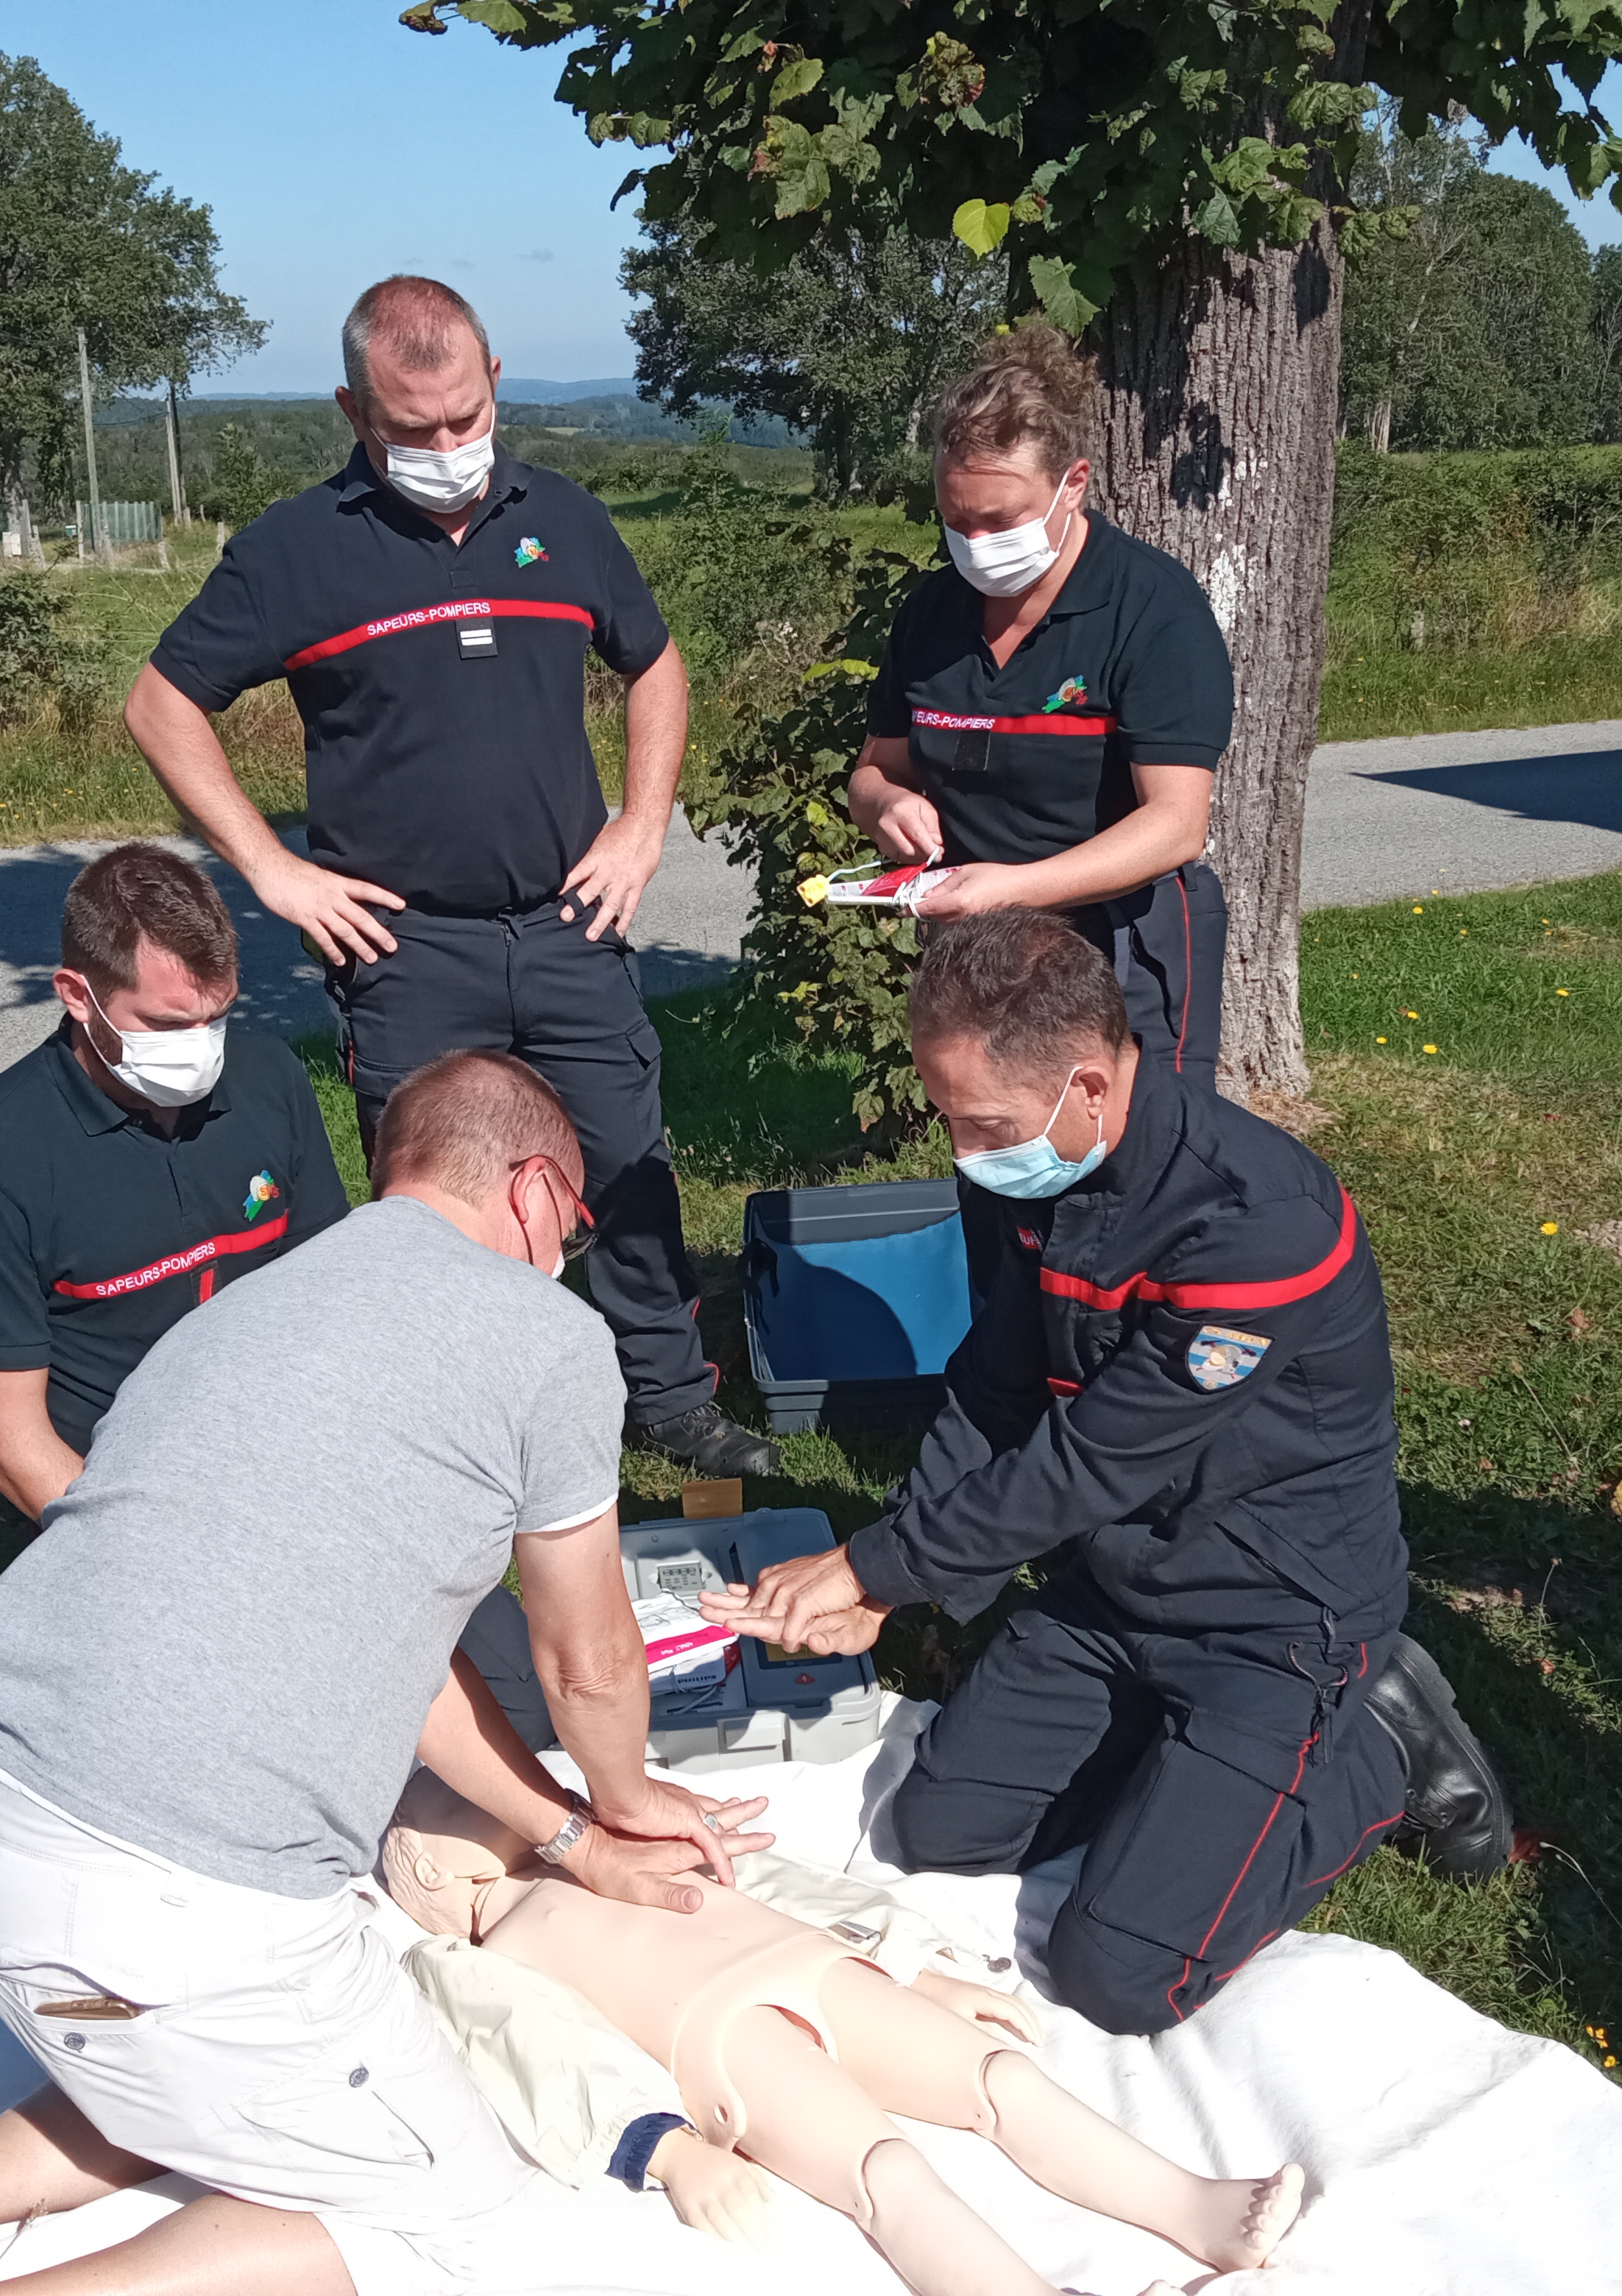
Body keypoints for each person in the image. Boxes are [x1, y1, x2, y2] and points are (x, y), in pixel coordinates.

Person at [0, 1051, 775, 2296]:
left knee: (194, 2085)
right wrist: (627, 1792)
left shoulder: (244, 1315)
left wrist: (566, 1840)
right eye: (577, 1226)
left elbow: (410, 1671)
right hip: (153, 1930)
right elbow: (588, 1654)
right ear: (539, 1189)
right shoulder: (546, 1335)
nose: (569, 1253)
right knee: (458, 2225)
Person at [704, 911, 1511, 2036]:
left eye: (980, 1124)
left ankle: (1377, 1748)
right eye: (950, 1121)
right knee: (935, 1834)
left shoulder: (1254, 1225)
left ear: (1087, 1086)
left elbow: (1092, 1459)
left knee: (1121, 1973)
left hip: (1275, 1617)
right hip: (1115, 1594)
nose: (964, 1153)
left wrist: (870, 1567)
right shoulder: (1027, 1174)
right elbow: (996, 1389)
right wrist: (901, 1580)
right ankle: (1185, 1783)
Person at [123, 273, 777, 1480]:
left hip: (570, 923)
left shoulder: (565, 520)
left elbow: (657, 664)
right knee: (436, 1205)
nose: (448, 449)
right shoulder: (294, 553)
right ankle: (467, 1422)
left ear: (494, 388)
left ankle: (670, 1398)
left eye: (468, 417)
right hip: (407, 951)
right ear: (352, 412)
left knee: (627, 1165)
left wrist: (641, 827)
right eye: (414, 430)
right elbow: (162, 705)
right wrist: (272, 870)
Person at [378, 1770, 1309, 2296]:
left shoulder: (615, 1841)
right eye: (452, 1801)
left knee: (997, 2081)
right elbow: (537, 2054)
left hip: (805, 1963)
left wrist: (914, 1964)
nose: (493, 1793)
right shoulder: (477, 1956)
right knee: (886, 2175)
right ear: (426, 1876)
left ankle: (1196, 2210)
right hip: (721, 2036)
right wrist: (660, 2149)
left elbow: (782, 1886)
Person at [0, 840, 345, 1528]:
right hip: (110, 1494)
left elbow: (328, 1298)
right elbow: (12, 1447)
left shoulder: (272, 1080)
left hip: (276, 1453)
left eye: (219, 1015)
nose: (202, 1047)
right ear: (78, 997)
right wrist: (151, 1549)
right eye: (169, 1024)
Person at [849, 321, 1235, 1078]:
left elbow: (1175, 825)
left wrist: (1016, 890)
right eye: (955, 520)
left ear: (1074, 486)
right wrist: (885, 807)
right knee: (995, 1137)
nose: (976, 543)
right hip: (977, 949)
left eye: (1000, 521)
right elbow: (875, 771)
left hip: (1123, 946)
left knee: (1135, 1159)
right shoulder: (930, 614)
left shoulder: (1150, 607)